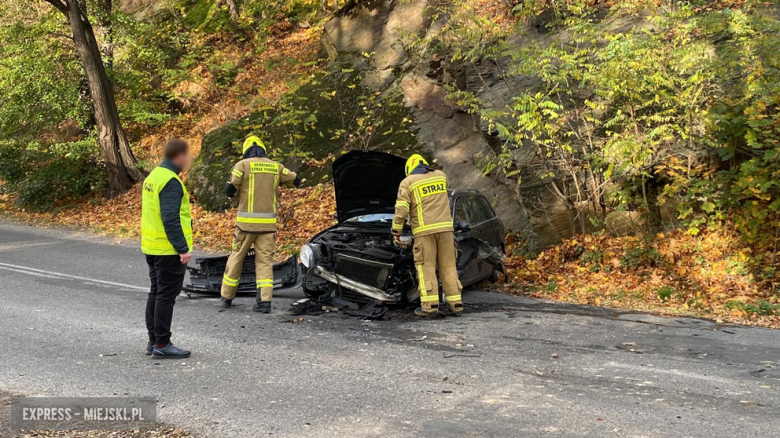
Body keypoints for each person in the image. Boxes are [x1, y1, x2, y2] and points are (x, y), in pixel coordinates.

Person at [220, 135, 300, 313]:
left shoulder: (242, 165)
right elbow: (295, 180)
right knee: (264, 262)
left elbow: (230, 190)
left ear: (246, 150)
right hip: (268, 227)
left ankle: (226, 297)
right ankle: (265, 301)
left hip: (245, 227)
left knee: (236, 258)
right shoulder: (276, 167)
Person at [391, 154, 463, 317]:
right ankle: (456, 304)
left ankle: (429, 307)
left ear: (409, 168)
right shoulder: (441, 176)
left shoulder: (408, 182)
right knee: (449, 267)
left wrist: (397, 232)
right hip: (446, 230)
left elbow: (401, 209)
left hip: (424, 232)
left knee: (426, 268)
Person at [141, 138, 193, 359]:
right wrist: (182, 248)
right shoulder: (171, 182)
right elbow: (170, 218)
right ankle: (162, 344)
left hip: (152, 246)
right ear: (179, 156)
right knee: (165, 296)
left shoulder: (154, 176)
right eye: (188, 156)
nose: (189, 160)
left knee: (156, 293)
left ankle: (154, 340)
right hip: (168, 250)